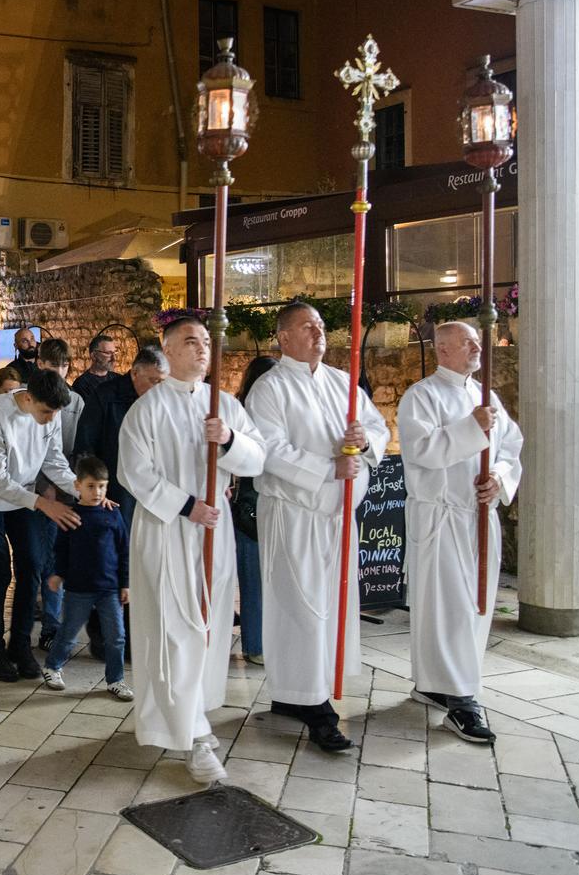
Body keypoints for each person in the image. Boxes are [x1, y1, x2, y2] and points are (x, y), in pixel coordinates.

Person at [120, 317, 266, 781]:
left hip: (213, 530)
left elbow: (258, 457)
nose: (202, 349)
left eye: (206, 341)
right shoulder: (146, 408)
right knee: (174, 626)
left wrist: (227, 442)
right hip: (167, 531)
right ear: (167, 351)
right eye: (190, 342)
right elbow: (134, 472)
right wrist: (186, 506)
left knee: (208, 623)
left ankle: (193, 713)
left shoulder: (222, 405)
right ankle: (193, 735)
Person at [245, 302, 389, 753]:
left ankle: (299, 691)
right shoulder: (269, 389)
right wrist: (328, 469)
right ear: (283, 337)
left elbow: (376, 427)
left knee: (333, 602)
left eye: (322, 326)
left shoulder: (342, 383)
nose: (318, 333)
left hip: (335, 515)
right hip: (294, 513)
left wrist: (365, 444)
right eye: (308, 326)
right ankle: (316, 707)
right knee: (301, 604)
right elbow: (268, 449)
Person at [398, 321, 524, 744]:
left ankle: (439, 684)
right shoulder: (422, 395)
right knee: (447, 606)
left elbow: (511, 446)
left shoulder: (486, 395)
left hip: (477, 513)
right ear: (443, 350)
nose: (477, 346)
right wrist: (472, 427)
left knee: (476, 604)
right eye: (467, 341)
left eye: (477, 340)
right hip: (440, 517)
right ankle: (460, 698)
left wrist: (499, 480)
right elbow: (422, 451)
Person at [0, 370, 89, 682]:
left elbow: (54, 461)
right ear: (28, 397)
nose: (49, 420)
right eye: (46, 412)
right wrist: (43, 503)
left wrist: (83, 490)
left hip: (23, 494)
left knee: (32, 564)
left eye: (55, 414)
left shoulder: (50, 413)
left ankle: (20, 644)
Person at [73, 344, 168, 659]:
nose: (159, 387)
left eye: (163, 381)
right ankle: (105, 637)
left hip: (151, 496)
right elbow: (86, 447)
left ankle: (139, 634)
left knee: (144, 565)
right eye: (153, 380)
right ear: (136, 372)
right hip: (113, 498)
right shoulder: (106, 395)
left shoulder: (163, 400)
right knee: (110, 568)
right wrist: (94, 494)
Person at [42, 455, 132, 701]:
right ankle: (53, 666)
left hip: (110, 589)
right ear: (77, 486)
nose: (97, 492)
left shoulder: (113, 514)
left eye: (102, 486)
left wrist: (125, 584)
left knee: (116, 637)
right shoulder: (71, 516)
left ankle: (115, 679)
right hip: (79, 589)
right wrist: (58, 575)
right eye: (91, 486)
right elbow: (61, 549)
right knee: (69, 632)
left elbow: (124, 550)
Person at [30, 339, 86, 652]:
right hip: (40, 492)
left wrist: (76, 485)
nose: (58, 371)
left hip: (68, 488)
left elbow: (76, 447)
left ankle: (63, 622)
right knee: (46, 559)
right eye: (52, 365)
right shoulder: (30, 399)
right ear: (40, 365)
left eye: (63, 366)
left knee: (65, 559)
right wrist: (43, 487)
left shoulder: (76, 401)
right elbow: (30, 453)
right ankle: (50, 625)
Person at [232, 356, 278, 667]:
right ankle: (256, 644)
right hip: (251, 503)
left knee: (260, 580)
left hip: (257, 501)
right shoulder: (247, 412)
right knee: (254, 579)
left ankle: (261, 642)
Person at [72, 334, 119, 402]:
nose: (114, 358)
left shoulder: (118, 379)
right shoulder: (81, 385)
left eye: (115, 353)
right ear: (94, 356)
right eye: (108, 353)